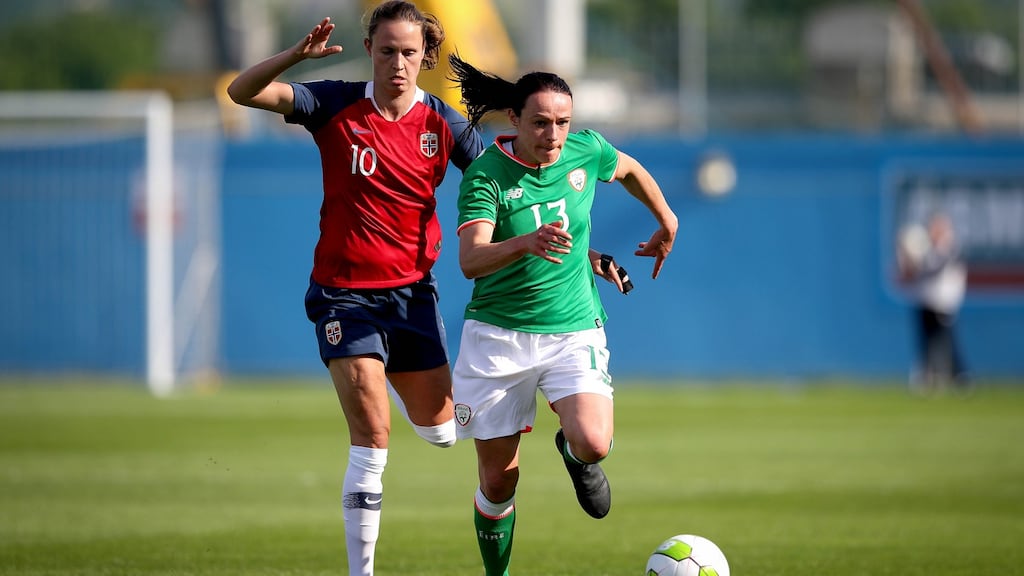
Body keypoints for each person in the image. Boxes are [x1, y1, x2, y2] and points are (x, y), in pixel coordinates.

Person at [225, 3, 484, 575]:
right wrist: (294, 57)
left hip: (413, 296)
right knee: (372, 436)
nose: (397, 62)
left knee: (443, 432)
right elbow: (241, 92)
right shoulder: (334, 102)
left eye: (409, 53)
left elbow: (499, 190)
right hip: (345, 294)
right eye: (387, 50)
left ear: (426, 57)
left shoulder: (446, 124)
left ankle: (382, 367)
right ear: (370, 48)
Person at [447, 54, 679, 576]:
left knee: (594, 441)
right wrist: (526, 242)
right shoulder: (487, 176)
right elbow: (470, 260)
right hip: (497, 337)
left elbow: (629, 169)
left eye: (562, 122)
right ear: (514, 120)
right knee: (499, 481)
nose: (553, 134)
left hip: (573, 327)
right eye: (540, 123)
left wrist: (666, 217)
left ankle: (575, 457)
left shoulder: (584, 150)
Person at [897, 212, 969, 392]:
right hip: (925, 301)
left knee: (945, 340)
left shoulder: (950, 247)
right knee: (926, 341)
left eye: (938, 228)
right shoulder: (929, 249)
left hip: (943, 304)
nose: (933, 231)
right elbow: (912, 273)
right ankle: (928, 376)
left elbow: (933, 268)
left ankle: (959, 375)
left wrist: (917, 260)